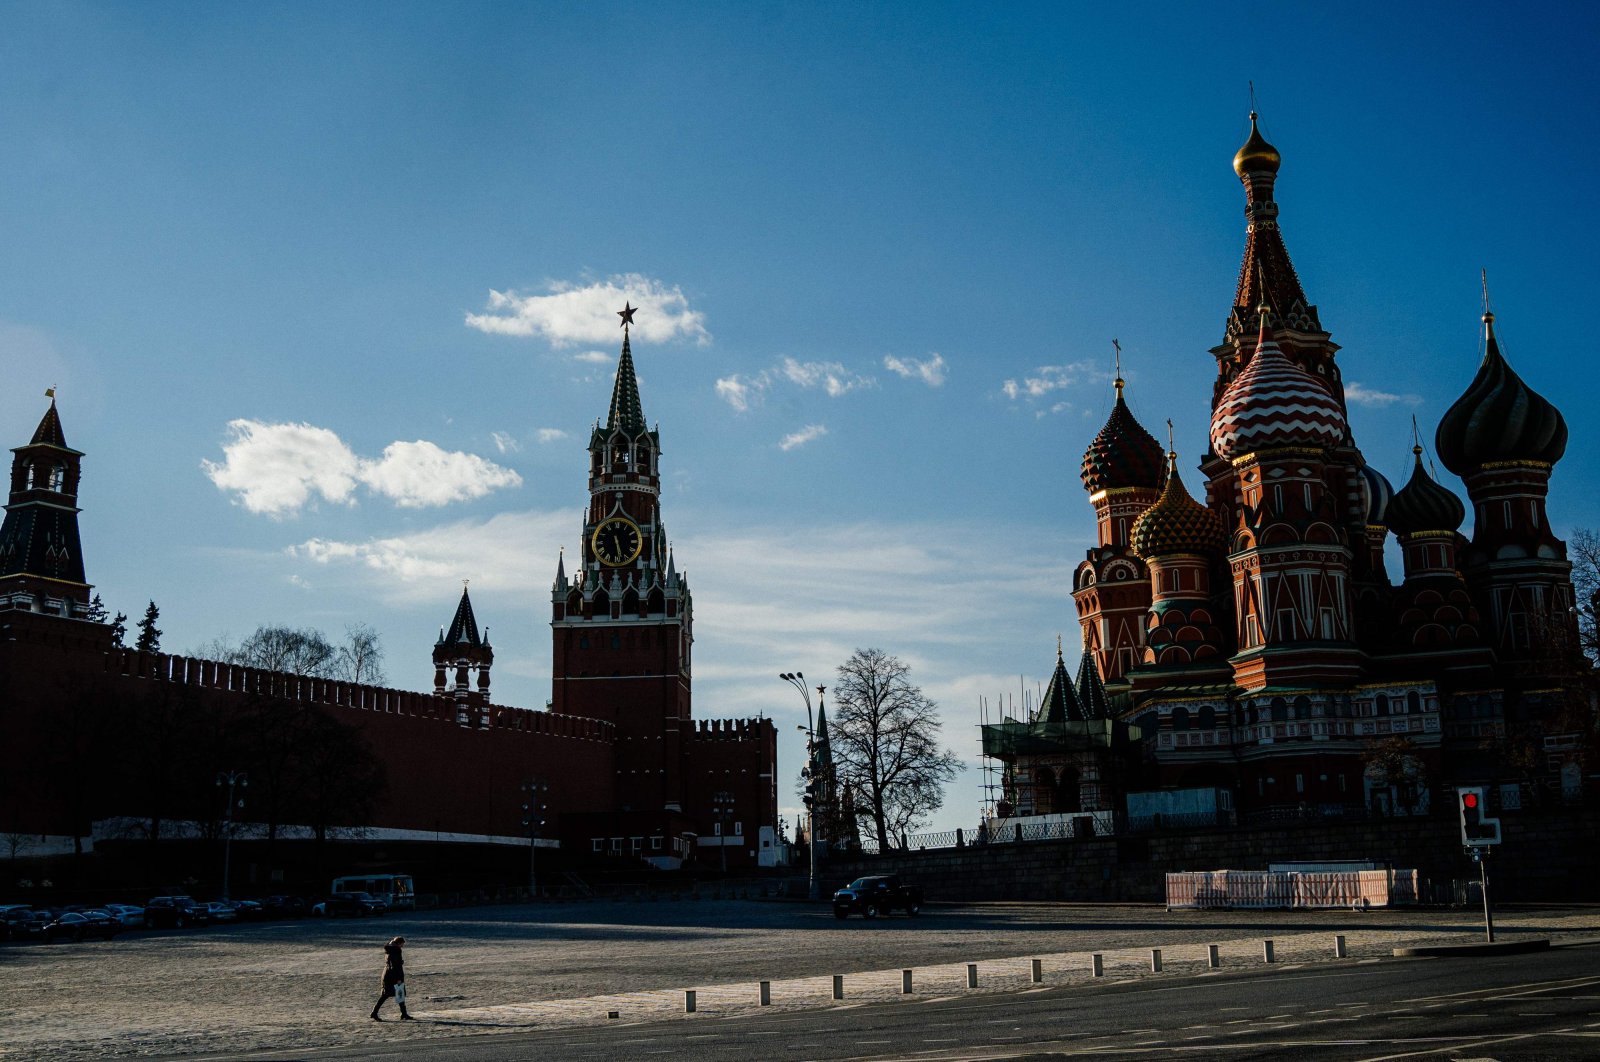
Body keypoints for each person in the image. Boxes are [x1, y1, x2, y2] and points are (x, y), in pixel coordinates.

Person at [370, 936, 413, 1021]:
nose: (402, 946)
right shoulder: (395, 951)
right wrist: (398, 978)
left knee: (399, 993)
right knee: (386, 995)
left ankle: (403, 1013)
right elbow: (394, 966)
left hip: (388, 975)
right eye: (402, 944)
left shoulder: (390, 950)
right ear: (399, 943)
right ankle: (374, 1013)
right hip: (392, 976)